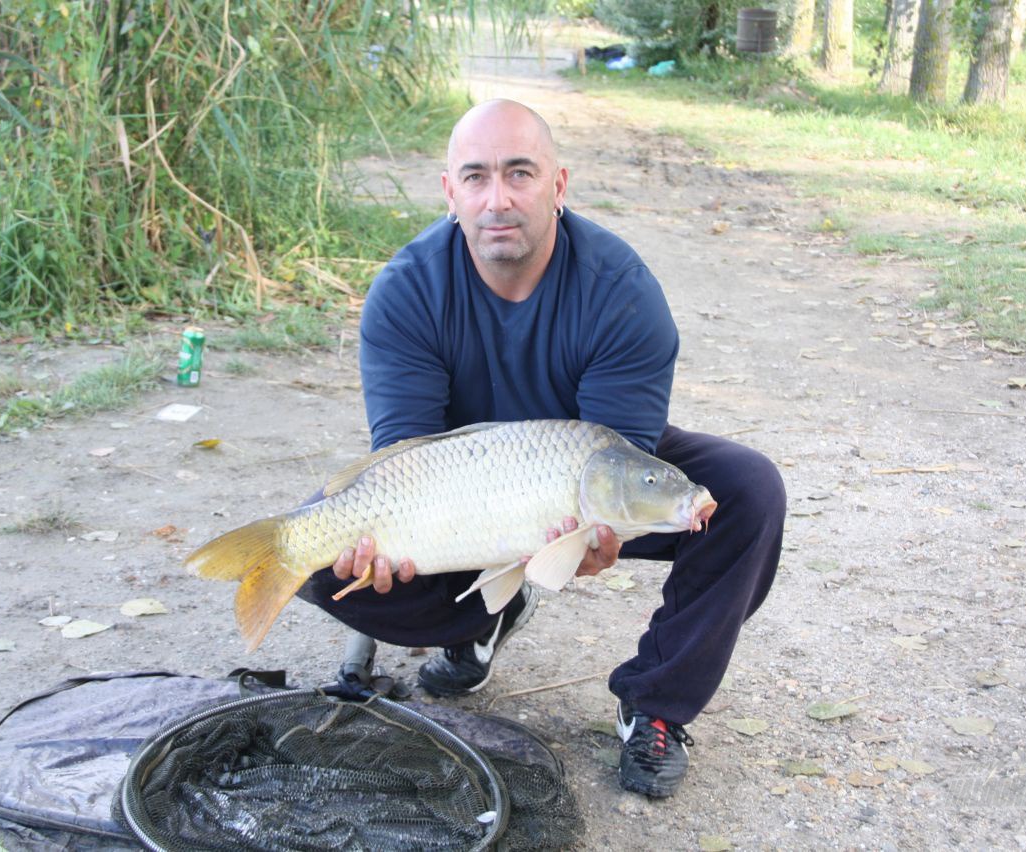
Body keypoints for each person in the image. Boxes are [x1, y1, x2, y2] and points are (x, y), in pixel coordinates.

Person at [296, 99, 785, 798]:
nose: (498, 199)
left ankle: (655, 705)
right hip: (458, 491)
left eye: (520, 174)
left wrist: (592, 538)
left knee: (748, 493)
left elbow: (617, 460)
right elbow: (403, 458)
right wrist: (378, 544)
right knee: (319, 559)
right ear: (449, 192)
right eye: (476, 177)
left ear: (559, 186)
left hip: (572, 474)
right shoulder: (406, 291)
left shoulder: (620, 291)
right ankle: (478, 620)